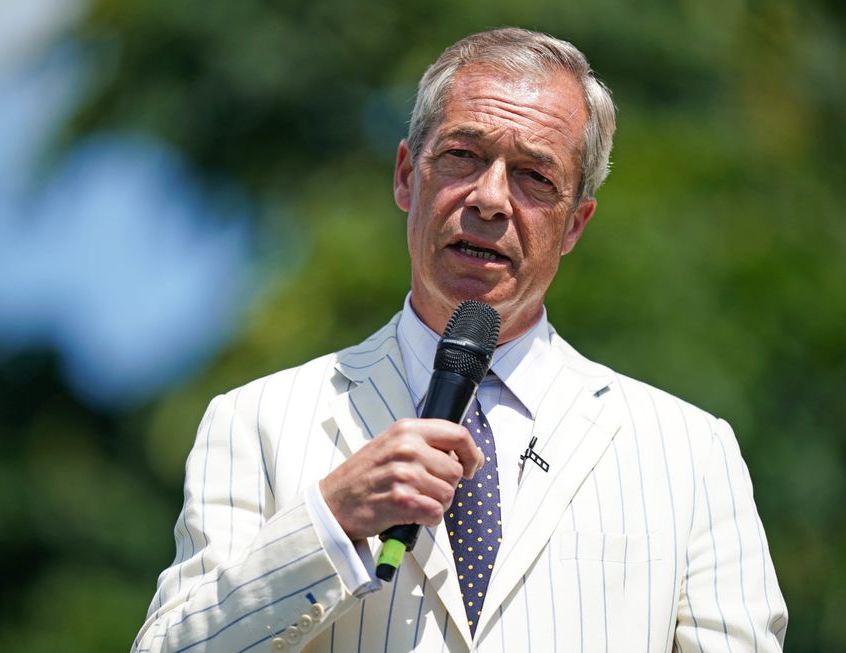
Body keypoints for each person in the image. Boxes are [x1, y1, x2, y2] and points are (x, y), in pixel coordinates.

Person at [131, 28, 787, 652]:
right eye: (463, 156)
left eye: (535, 176)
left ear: (575, 225)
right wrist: (328, 522)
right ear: (404, 175)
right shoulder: (257, 423)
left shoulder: (689, 453)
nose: (491, 198)